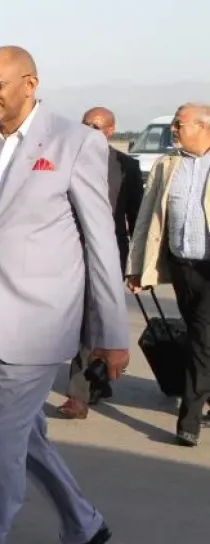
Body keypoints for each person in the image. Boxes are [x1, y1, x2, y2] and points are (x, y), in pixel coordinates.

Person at [0, 46, 128, 544]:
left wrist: (112, 333)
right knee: (24, 436)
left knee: (5, 438)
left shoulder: (75, 142)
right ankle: (83, 523)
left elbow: (101, 245)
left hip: (41, 323)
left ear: (30, 83)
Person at [127, 102, 210, 447]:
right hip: (181, 266)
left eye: (180, 124)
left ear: (203, 127)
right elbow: (147, 219)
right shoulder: (167, 165)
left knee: (202, 340)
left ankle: (189, 420)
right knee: (198, 334)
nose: (173, 130)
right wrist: (137, 269)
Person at [58, 106, 145, 419]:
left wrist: (138, 267)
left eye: (95, 126)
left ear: (110, 131)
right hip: (72, 251)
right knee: (83, 320)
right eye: (84, 124)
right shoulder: (67, 160)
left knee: (97, 319)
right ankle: (90, 385)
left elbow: (137, 219)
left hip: (109, 254)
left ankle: (82, 391)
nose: (89, 130)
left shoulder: (126, 166)